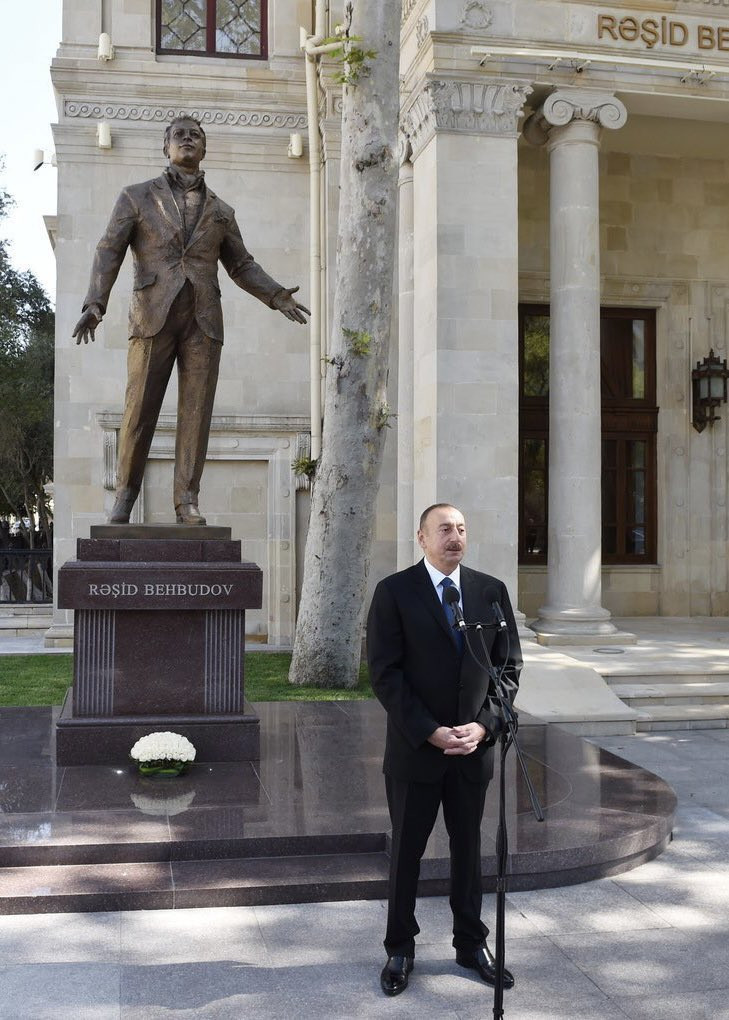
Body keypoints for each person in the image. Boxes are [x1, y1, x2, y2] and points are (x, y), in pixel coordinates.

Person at [72, 115, 309, 525]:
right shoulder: (136, 197)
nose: (187, 139)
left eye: (195, 135)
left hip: (204, 319)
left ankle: (187, 501)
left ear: (204, 148)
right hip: (152, 315)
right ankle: (125, 497)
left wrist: (275, 294)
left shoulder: (221, 210)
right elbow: (109, 249)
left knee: (196, 414)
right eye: (179, 135)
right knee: (139, 408)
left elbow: (241, 264)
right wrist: (96, 303)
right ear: (165, 146)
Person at [366, 503, 521, 997]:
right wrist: (429, 730)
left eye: (461, 529)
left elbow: (507, 670)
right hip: (416, 750)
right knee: (406, 853)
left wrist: (484, 726)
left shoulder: (490, 591)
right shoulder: (394, 592)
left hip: (472, 750)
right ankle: (399, 949)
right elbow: (384, 674)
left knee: (469, 849)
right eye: (444, 529)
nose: (455, 537)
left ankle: (471, 944)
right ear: (422, 538)